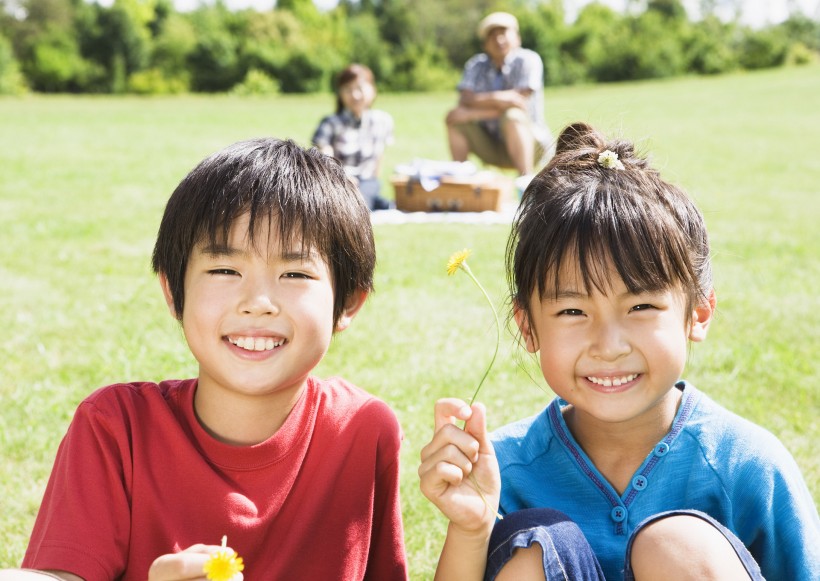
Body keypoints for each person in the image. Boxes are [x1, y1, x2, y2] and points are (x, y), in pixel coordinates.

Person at [419, 122, 820, 580]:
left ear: (699, 314)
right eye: (572, 311)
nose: (608, 346)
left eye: (641, 306)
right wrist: (471, 529)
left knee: (677, 547)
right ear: (527, 326)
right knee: (534, 544)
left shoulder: (746, 465)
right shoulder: (502, 469)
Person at [0, 138, 408, 581]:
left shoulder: (363, 431)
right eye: (224, 270)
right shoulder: (115, 427)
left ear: (347, 303)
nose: (258, 302)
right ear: (174, 293)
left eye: (294, 273)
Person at [446, 11, 553, 180]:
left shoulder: (529, 60)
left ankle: (525, 186)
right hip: (492, 144)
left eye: (503, 33)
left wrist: (474, 111)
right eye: (492, 35)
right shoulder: (476, 65)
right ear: (485, 44)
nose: (498, 39)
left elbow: (519, 103)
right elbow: (464, 100)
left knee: (513, 116)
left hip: (531, 145)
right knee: (454, 119)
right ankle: (460, 183)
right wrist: (504, 99)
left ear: (517, 38)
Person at [312, 63, 394, 211]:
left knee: (362, 201)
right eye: (348, 90)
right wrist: (343, 178)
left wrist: (371, 181)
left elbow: (378, 161)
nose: (355, 95)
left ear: (373, 90)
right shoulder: (330, 123)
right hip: (339, 181)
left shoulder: (383, 121)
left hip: (368, 182)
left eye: (360, 89)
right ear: (340, 94)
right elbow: (325, 158)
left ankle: (374, 202)